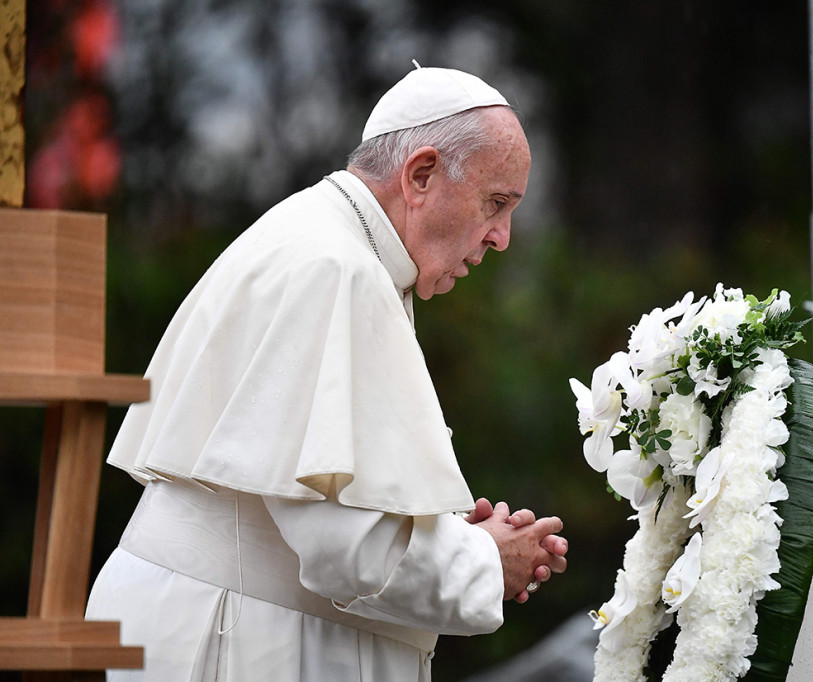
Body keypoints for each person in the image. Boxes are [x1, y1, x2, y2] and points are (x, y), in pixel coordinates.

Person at [85, 65, 568, 681]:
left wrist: (432, 525)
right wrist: (482, 559)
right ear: (420, 174)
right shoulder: (339, 269)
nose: (502, 237)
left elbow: (314, 499)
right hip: (225, 643)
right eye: (495, 203)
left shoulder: (321, 238)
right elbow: (347, 548)